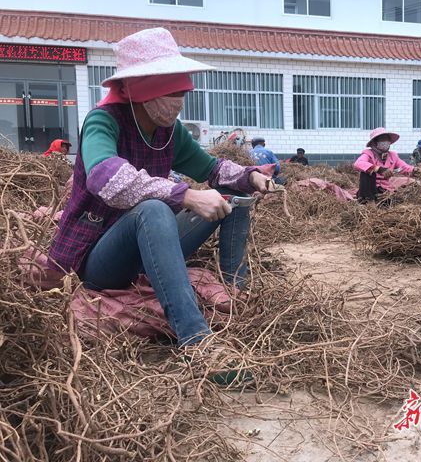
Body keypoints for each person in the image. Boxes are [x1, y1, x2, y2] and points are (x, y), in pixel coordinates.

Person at [48, 28, 270, 350]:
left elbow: (210, 168)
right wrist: (185, 194)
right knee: (153, 209)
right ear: (139, 89)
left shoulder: (170, 131)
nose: (178, 103)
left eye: (181, 93)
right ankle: (195, 340)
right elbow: (105, 177)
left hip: (151, 248)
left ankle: (235, 293)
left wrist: (250, 177)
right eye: (171, 93)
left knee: (232, 201)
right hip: (100, 257)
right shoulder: (103, 121)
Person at [354, 127, 420, 203]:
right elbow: (358, 163)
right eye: (382, 139)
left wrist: (413, 170)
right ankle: (366, 201)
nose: (385, 142)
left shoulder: (393, 156)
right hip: (370, 188)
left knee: (395, 200)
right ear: (375, 142)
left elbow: (403, 167)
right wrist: (378, 169)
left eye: (387, 140)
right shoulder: (369, 153)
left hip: (385, 189)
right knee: (366, 173)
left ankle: (381, 200)